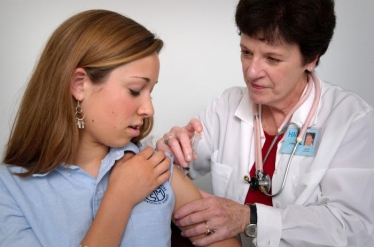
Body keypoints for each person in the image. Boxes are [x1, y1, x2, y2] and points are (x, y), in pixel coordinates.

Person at [0, 10, 241, 247]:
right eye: (135, 90)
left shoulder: (155, 166)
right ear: (79, 85)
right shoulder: (8, 189)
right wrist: (120, 197)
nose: (148, 109)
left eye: (151, 92)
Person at [155, 0, 374, 246]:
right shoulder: (228, 105)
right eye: (246, 52)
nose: (251, 72)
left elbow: (353, 227)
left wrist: (249, 218)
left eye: (272, 58)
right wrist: (169, 150)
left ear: (311, 59)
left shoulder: (349, 118)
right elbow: (175, 170)